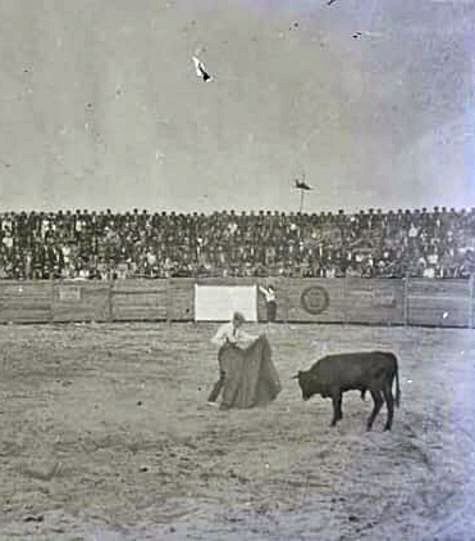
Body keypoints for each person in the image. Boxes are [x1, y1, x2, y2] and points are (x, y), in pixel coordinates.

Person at [207, 311, 257, 406]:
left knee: (234, 375)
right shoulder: (225, 328)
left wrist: (256, 338)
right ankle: (211, 399)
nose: (240, 325)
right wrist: (224, 343)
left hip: (233, 354)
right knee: (225, 376)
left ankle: (231, 399)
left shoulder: (237, 330)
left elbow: (245, 336)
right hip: (224, 354)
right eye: (240, 322)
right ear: (235, 320)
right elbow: (214, 339)